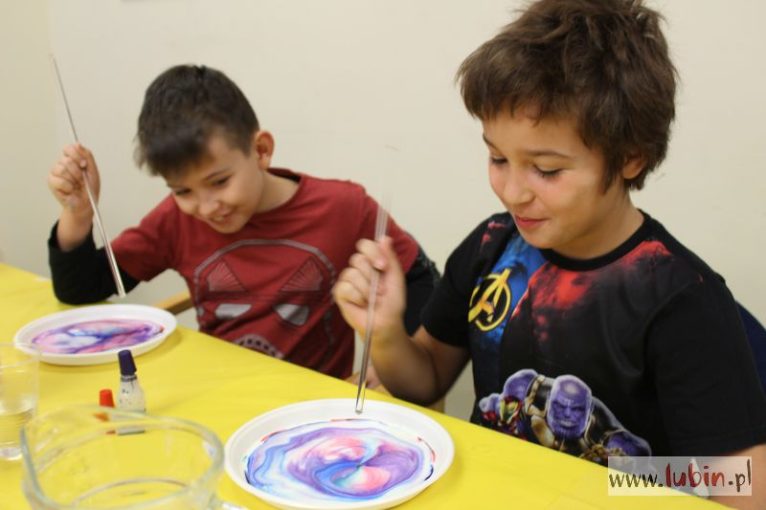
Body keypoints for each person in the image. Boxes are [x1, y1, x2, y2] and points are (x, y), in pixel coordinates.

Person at [332, 0, 766, 506]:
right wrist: (386, 333)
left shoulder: (681, 301)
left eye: (547, 170)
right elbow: (424, 379)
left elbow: (743, 483)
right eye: (497, 157)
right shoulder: (491, 246)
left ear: (630, 157)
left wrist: (605, 479)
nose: (513, 192)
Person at [47, 64, 439, 381]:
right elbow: (81, 288)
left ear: (261, 150)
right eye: (182, 190)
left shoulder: (343, 208)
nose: (206, 207)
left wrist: (389, 362)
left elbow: (420, 278)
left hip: (313, 412)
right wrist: (78, 214)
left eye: (219, 182)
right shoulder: (174, 219)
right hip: (220, 399)